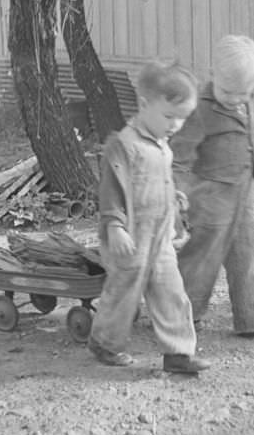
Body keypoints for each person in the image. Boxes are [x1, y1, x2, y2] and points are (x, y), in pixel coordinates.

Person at [88, 59, 211, 374]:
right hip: (132, 237)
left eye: (181, 119)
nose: (174, 125)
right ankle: (105, 342)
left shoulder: (162, 145)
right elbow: (112, 191)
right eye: (169, 116)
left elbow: (160, 181)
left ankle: (178, 353)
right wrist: (114, 226)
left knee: (172, 292)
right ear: (144, 104)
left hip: (161, 237)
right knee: (124, 294)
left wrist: (175, 199)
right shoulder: (124, 146)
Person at [171, 34, 254, 341]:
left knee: (247, 252)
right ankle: (181, 311)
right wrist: (174, 192)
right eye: (228, 91)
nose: (236, 99)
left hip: (242, 189)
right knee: (203, 254)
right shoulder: (199, 109)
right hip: (210, 194)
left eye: (244, 92)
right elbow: (179, 155)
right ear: (212, 74)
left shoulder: (243, 99)